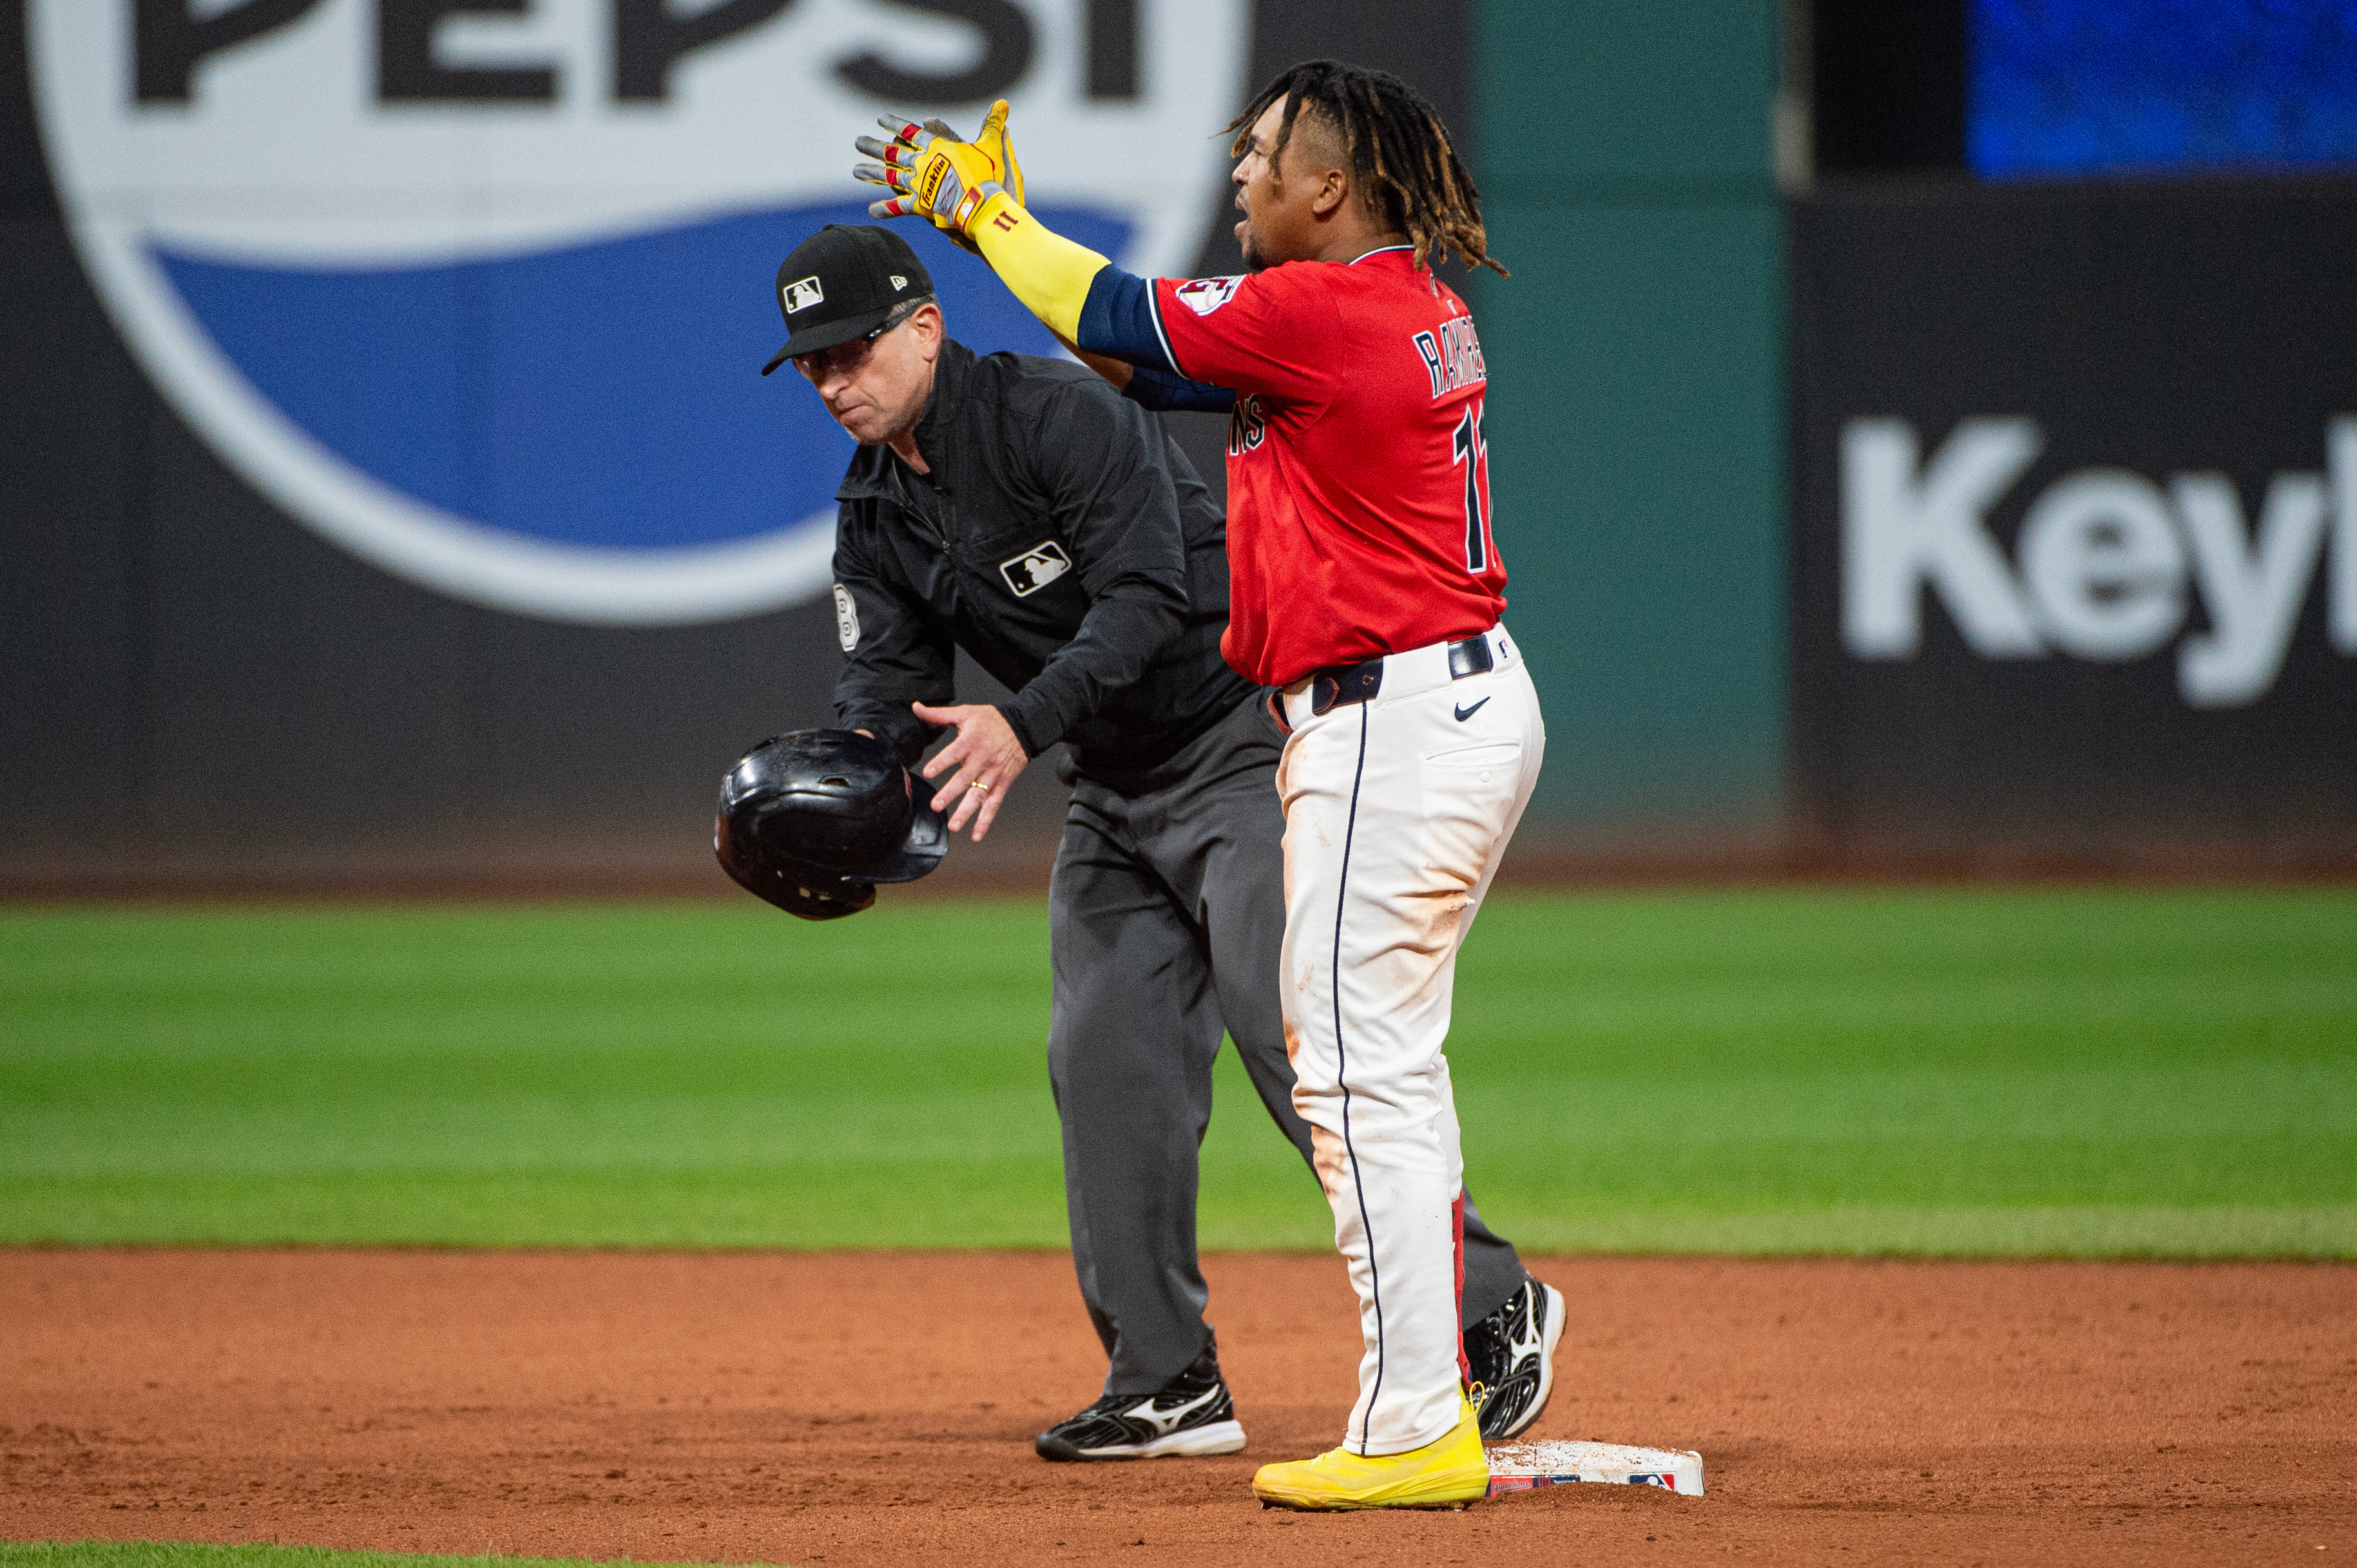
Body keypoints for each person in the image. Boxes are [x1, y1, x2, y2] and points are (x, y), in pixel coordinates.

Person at [855, 59, 1553, 1509]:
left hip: (1385, 715)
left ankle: (1423, 1406)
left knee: (1349, 1070)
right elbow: (1150, 359)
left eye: (1263, 154)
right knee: (1370, 1070)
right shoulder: (1405, 305)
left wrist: (983, 215)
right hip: (1442, 696)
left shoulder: (1324, 306)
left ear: (1331, 188)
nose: (1239, 173)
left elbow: (1111, 315)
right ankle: (1380, 1384)